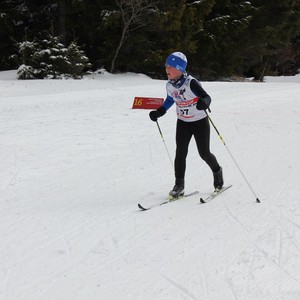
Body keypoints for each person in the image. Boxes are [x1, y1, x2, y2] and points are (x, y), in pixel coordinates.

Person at [149, 51, 223, 198]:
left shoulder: (191, 83)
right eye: (166, 66)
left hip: (199, 122)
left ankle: (217, 172)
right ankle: (179, 185)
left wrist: (204, 103)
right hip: (183, 122)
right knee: (180, 153)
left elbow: (206, 97)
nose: (167, 69)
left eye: (170, 67)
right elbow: (170, 100)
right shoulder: (170, 85)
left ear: (180, 68)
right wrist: (159, 112)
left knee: (204, 153)